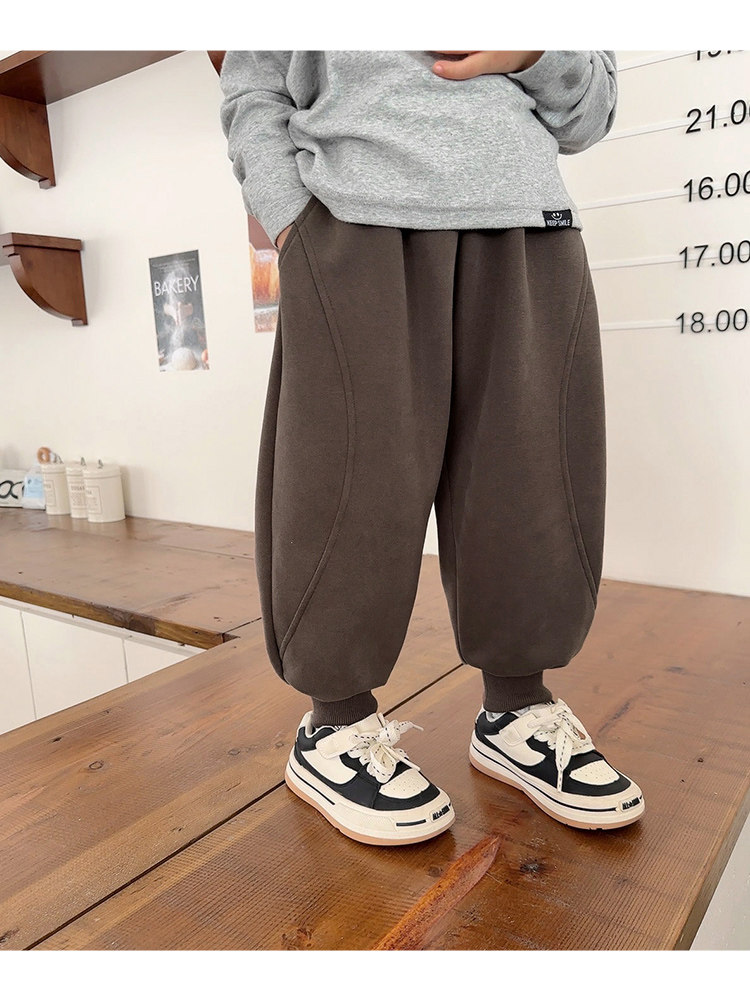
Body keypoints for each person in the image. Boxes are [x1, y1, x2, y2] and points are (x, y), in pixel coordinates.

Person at [218, 49, 645, 846]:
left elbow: (590, 113)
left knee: (531, 481)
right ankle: (333, 727)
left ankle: (516, 710)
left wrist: (532, 48)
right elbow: (253, 84)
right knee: (348, 484)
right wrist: (292, 220)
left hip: (527, 228)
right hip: (355, 225)